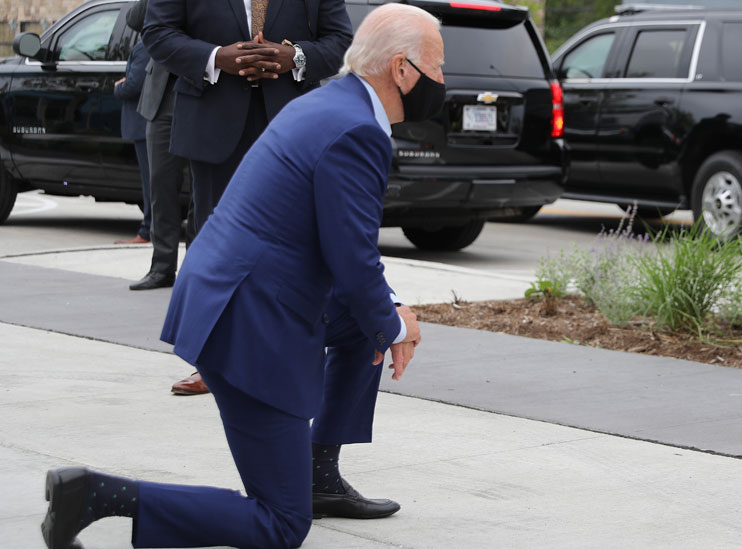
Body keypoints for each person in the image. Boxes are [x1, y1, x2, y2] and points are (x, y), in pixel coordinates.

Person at [40, 5, 441, 548]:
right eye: (437, 67)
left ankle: (318, 470)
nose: (442, 82)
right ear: (401, 69)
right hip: (249, 322)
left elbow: (342, 245)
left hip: (234, 294)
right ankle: (97, 496)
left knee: (362, 327)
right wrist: (396, 326)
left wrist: (385, 315)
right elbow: (351, 257)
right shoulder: (355, 131)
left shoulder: (332, 104)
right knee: (280, 524)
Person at [142, 0, 354, 391]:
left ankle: (286, 358)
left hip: (294, 122)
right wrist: (215, 58)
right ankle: (213, 363)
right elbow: (158, 32)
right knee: (215, 246)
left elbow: (342, 38)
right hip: (213, 121)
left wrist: (297, 57)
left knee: (296, 244)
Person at [128, 0, 194, 292]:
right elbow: (135, 18)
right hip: (162, 97)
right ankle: (162, 267)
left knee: (203, 190)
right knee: (161, 185)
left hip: (205, 91)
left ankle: (197, 267)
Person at [112, 6, 152, 247]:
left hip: (143, 122)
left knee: (150, 182)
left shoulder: (144, 45)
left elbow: (133, 84)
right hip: (147, 122)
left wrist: (119, 86)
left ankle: (147, 231)